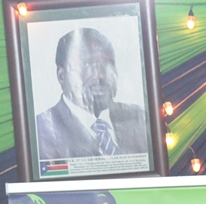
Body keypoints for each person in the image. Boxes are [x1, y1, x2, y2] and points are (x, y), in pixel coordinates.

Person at [36, 28, 148, 161]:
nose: (101, 75)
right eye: (87, 64)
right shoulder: (41, 131)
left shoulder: (141, 119)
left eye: (108, 64)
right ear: (61, 76)